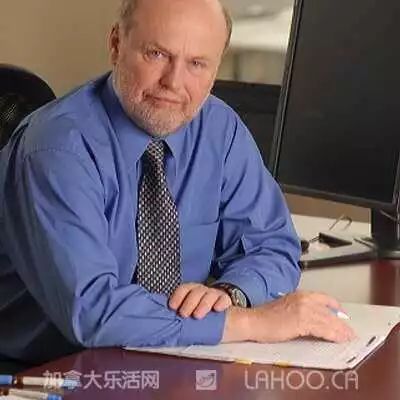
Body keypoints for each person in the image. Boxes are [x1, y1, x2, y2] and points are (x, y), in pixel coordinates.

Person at [0, 0, 354, 365]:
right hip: (49, 369)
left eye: (197, 63)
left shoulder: (219, 129)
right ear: (116, 45)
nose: (173, 83)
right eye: (157, 54)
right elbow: (93, 309)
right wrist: (250, 322)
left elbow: (273, 245)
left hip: (176, 358)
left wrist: (232, 294)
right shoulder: (57, 149)